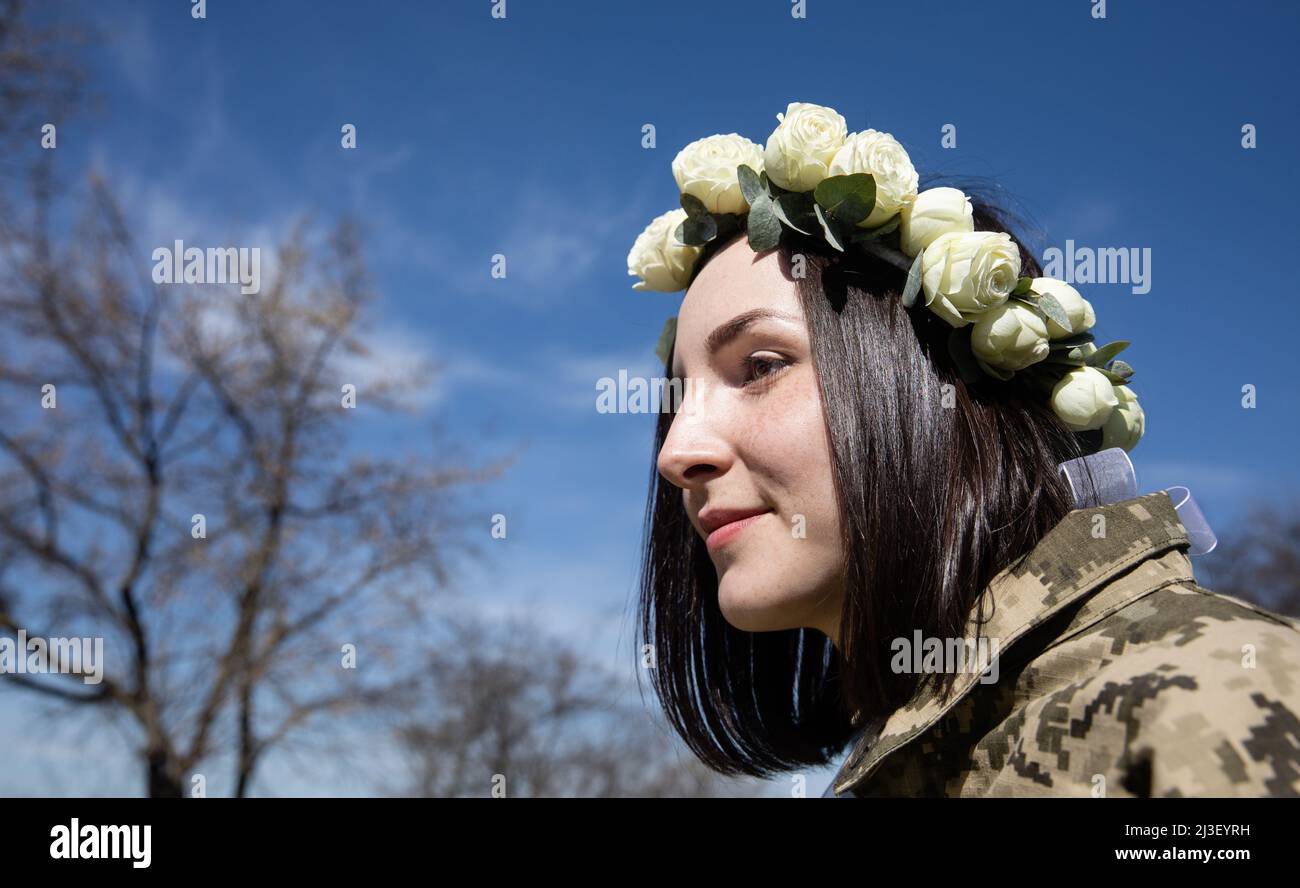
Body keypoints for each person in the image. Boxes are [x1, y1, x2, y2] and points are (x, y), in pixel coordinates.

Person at [627, 101, 1300, 797]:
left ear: (940, 384)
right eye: (679, 398)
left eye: (761, 365)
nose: (677, 452)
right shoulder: (923, 752)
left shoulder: (1212, 700)